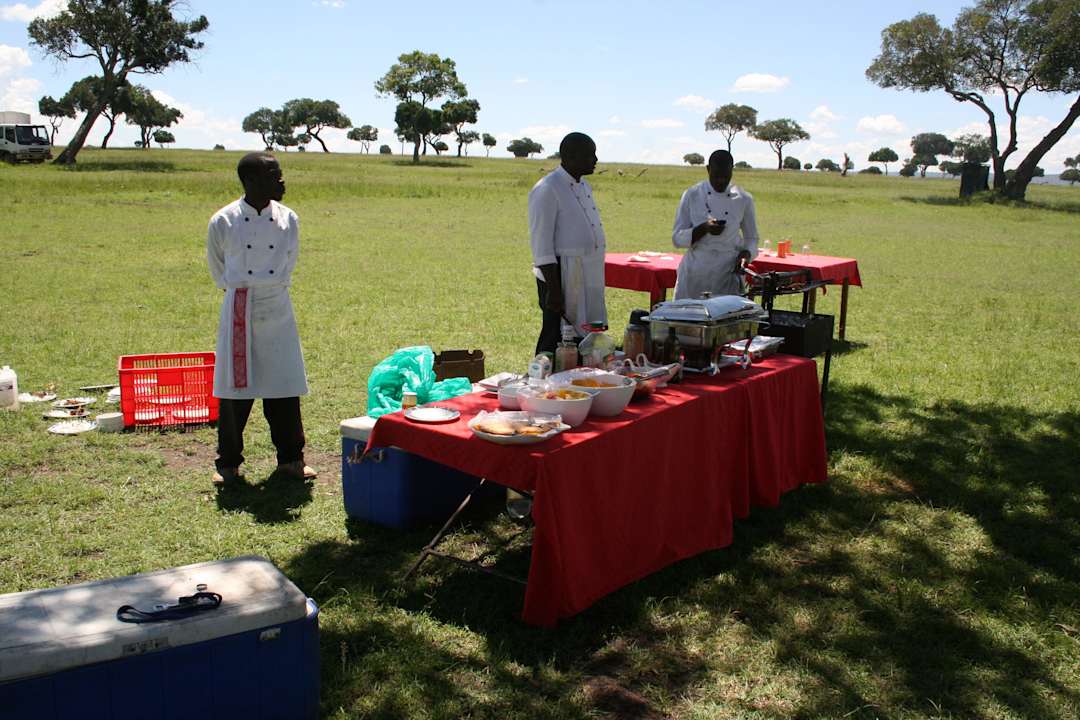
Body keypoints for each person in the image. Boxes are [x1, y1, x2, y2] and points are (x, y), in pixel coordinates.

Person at [207, 152, 316, 486]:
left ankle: (292, 460)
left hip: (278, 305)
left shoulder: (289, 218)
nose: (282, 181)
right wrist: (244, 291)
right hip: (240, 305)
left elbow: (290, 260)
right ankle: (227, 464)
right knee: (235, 389)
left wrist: (270, 288)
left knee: (284, 386)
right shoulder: (223, 221)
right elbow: (218, 268)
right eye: (274, 175)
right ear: (251, 181)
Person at [528, 132, 607, 355]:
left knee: (585, 336)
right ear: (571, 156)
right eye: (590, 155)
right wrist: (554, 290)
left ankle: (580, 381)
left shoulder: (584, 186)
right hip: (561, 273)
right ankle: (541, 381)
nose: (595, 160)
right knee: (556, 335)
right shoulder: (547, 188)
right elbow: (541, 244)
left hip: (586, 270)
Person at [672, 149, 759, 299]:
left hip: (727, 272)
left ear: (732, 170)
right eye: (716, 176)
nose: (721, 181)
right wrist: (703, 228)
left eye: (725, 176)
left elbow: (752, 238)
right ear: (708, 169)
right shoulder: (692, 194)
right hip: (696, 272)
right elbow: (677, 239)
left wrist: (746, 255)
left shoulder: (743, 199)